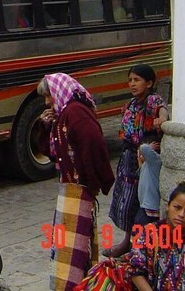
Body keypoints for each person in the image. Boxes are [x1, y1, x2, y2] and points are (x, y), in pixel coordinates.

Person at [35, 73, 115, 290]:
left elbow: (94, 145)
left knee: (73, 246)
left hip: (79, 190)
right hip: (69, 190)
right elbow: (52, 153)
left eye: (49, 96)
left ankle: (72, 285)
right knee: (67, 243)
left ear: (59, 92)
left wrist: (94, 183)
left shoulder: (75, 113)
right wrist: (44, 126)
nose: (47, 102)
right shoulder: (62, 115)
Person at [104, 64, 169, 258]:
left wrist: (161, 119)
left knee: (140, 202)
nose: (132, 84)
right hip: (128, 158)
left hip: (143, 158)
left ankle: (138, 246)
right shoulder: (132, 104)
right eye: (130, 80)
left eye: (137, 80)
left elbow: (161, 109)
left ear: (149, 83)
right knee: (125, 200)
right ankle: (126, 241)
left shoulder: (151, 100)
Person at [127, 182, 185, 290]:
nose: (181, 215)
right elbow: (135, 272)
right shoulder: (147, 233)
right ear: (168, 206)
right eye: (177, 207)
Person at [135, 142, 162, 228]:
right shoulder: (146, 165)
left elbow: (144, 147)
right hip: (144, 205)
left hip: (150, 207)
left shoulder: (155, 161)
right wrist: (139, 158)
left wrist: (149, 147)